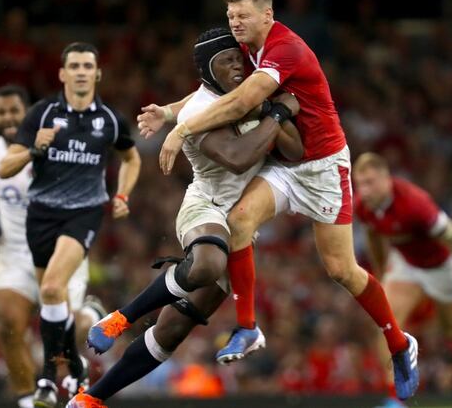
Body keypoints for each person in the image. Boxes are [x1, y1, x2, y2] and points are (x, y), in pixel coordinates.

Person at [142, 0, 419, 400]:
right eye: (231, 16)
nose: (236, 23)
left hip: (323, 167)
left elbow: (241, 102)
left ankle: (399, 343)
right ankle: (248, 326)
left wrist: (181, 130)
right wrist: (168, 112)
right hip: (284, 164)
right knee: (238, 221)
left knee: (342, 270)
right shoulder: (246, 49)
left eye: (243, 15)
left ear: (267, 16)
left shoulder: (285, 49)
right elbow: (213, 92)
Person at [67, 27, 304, 408]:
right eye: (225, 61)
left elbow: (294, 151)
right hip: (205, 206)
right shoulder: (199, 111)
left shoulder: (250, 93)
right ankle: (121, 317)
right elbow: (239, 156)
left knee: (173, 329)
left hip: (242, 221)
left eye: (238, 59)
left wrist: (269, 112)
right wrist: (277, 111)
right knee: (208, 263)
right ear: (208, 71)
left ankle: (90, 399)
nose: (236, 67)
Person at [0, 43, 141, 408]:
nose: (80, 72)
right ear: (62, 73)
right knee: (53, 299)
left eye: (87, 66)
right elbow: (5, 168)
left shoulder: (109, 120)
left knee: (50, 288)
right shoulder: (42, 114)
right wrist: (33, 148)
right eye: (74, 66)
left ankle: (48, 376)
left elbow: (131, 158)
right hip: (40, 215)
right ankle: (74, 367)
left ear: (97, 74)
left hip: (84, 213)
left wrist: (122, 194)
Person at [0, 85, 103, 408]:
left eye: (14, 111)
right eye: (0, 112)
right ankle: (26, 400)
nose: (8, 118)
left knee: (68, 334)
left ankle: (89, 314)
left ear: (28, 112)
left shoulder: (56, 144)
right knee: (8, 325)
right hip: (14, 254)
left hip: (59, 249)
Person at [352, 152, 452, 407]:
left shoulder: (415, 204)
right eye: (360, 184)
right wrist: (381, 272)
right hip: (406, 264)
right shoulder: (362, 205)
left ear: (386, 179)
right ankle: (395, 399)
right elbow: (373, 236)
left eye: (370, 183)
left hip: (440, 266)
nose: (364, 191)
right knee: (386, 325)